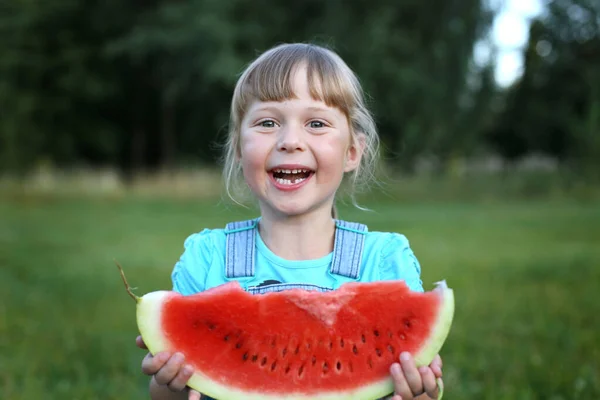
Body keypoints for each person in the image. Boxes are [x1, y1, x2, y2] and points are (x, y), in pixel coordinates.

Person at [135, 42, 444, 400]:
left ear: (352, 152)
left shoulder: (385, 260)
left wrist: (418, 392)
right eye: (267, 122)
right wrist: (167, 381)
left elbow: (424, 382)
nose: (290, 141)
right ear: (238, 147)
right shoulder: (207, 258)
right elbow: (168, 392)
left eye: (316, 123)